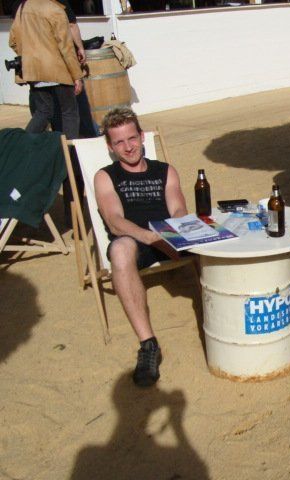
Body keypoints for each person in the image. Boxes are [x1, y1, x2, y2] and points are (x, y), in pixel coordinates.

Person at [95, 107, 188, 387]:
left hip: (168, 236)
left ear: (142, 136)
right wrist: (148, 237)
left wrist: (175, 234)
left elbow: (179, 209)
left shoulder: (165, 171)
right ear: (110, 146)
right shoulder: (106, 176)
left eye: (132, 138)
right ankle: (148, 345)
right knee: (120, 249)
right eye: (119, 142)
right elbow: (114, 221)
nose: (128, 147)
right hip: (135, 241)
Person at [8, 0, 83, 140]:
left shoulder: (23, 8)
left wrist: (29, 56)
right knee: (69, 112)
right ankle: (68, 150)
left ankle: (23, 143)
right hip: (57, 68)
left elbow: (13, 41)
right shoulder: (55, 9)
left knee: (43, 111)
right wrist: (76, 75)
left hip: (34, 70)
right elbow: (66, 47)